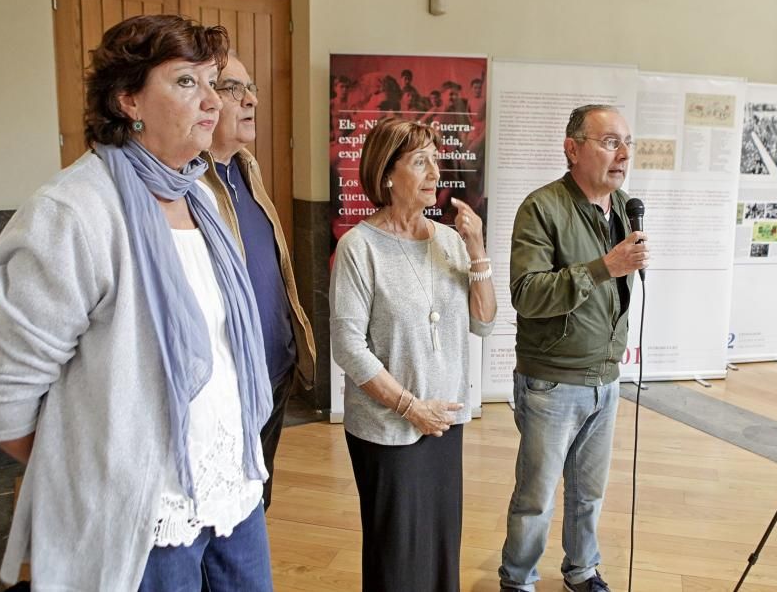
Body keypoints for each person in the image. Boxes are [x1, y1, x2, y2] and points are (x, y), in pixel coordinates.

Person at [0, 14, 275, 591]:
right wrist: (96, 481)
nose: (213, 101)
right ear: (128, 99)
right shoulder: (75, 210)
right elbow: (3, 403)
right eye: (187, 82)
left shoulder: (202, 197)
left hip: (232, 491)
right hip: (146, 518)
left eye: (214, 82)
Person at [330, 117, 496, 591]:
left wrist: (477, 248)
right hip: (388, 427)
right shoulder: (359, 247)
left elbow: (483, 322)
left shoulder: (448, 240)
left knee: (442, 549)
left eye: (435, 160)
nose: (434, 172)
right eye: (419, 161)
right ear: (386, 172)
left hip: (444, 421)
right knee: (398, 557)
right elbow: (349, 348)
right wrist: (410, 407)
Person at [499, 105, 649, 592]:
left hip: (606, 376)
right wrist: (606, 266)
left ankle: (582, 570)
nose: (623, 154)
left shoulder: (623, 206)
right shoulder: (541, 208)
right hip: (552, 380)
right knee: (537, 495)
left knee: (590, 493)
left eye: (627, 142)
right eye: (610, 142)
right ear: (573, 148)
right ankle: (517, 580)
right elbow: (526, 294)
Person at [200, 53, 317, 511]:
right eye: (233, 88)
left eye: (251, 89)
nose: (250, 100)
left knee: (256, 500)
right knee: (222, 513)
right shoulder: (187, 181)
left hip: (274, 371)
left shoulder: (247, 166)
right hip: (229, 382)